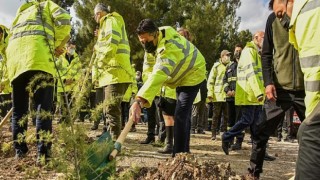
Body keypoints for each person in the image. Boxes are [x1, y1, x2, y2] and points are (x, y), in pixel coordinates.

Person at [5, 0, 71, 162]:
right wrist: (56, 45)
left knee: (19, 111)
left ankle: (20, 152)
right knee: (43, 109)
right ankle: (43, 155)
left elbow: (9, 41)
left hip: (16, 64)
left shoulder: (20, 14)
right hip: (39, 59)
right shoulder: (46, 5)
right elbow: (64, 19)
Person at [131, 19, 206, 155]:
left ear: (156, 34)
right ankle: (184, 151)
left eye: (147, 41)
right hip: (179, 77)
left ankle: (179, 156)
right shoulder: (152, 43)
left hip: (193, 73)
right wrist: (148, 93)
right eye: (142, 41)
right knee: (182, 114)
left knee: (181, 113)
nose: (145, 45)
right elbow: (148, 70)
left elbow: (159, 72)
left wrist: (139, 100)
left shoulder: (169, 46)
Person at [248, 0, 306, 178]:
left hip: (307, 88)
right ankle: (253, 173)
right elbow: (266, 55)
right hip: (280, 89)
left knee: (313, 134)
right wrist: (268, 82)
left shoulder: (308, 14)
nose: (279, 16)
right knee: (260, 130)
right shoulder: (272, 20)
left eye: (281, 13)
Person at [92, 3, 132, 140]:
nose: (94, 18)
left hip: (116, 73)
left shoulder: (110, 20)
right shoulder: (106, 24)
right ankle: (110, 139)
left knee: (111, 109)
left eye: (95, 15)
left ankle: (114, 143)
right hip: (111, 74)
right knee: (107, 109)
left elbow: (111, 44)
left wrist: (101, 64)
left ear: (99, 13)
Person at [289, 0, 320, 178]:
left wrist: (310, 120)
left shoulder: (307, 12)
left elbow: (315, 77)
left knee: (308, 134)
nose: (284, 20)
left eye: (282, 13)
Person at [221, 31, 265, 155]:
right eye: (263, 37)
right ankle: (226, 136)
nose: (265, 39)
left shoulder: (255, 52)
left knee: (256, 125)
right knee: (247, 120)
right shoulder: (249, 51)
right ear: (256, 38)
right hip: (250, 94)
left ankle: (260, 151)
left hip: (254, 95)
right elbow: (251, 73)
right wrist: (259, 93)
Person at [222, 44, 243, 150]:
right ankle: (230, 140)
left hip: (241, 98)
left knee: (239, 121)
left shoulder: (244, 66)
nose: (237, 52)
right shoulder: (230, 67)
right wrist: (227, 90)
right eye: (236, 50)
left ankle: (239, 142)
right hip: (230, 98)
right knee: (230, 121)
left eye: (239, 50)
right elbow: (224, 80)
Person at [56, 40, 82, 122]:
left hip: (73, 86)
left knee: (71, 104)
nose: (73, 50)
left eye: (74, 48)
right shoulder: (60, 57)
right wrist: (64, 79)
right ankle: (63, 119)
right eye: (71, 48)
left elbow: (79, 72)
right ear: (66, 48)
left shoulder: (77, 59)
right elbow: (57, 70)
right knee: (63, 104)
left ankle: (70, 120)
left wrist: (74, 79)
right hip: (63, 85)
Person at [207, 50, 230, 140]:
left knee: (226, 116)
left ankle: (223, 132)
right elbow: (211, 81)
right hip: (217, 95)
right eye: (226, 55)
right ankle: (213, 133)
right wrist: (210, 93)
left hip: (227, 95)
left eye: (229, 55)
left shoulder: (231, 66)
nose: (228, 57)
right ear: (222, 56)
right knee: (216, 115)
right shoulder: (216, 66)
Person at [0, 25, 11, 120]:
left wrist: (3, 83)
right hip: (7, 81)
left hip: (13, 78)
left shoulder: (9, 42)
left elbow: (10, 63)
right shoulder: (3, 43)